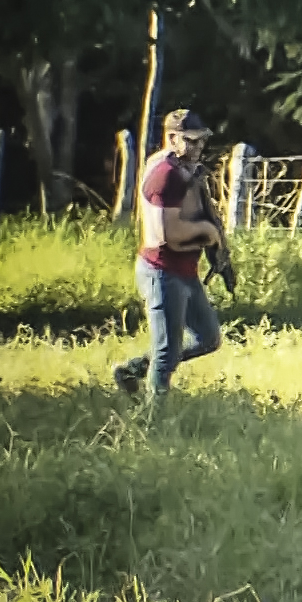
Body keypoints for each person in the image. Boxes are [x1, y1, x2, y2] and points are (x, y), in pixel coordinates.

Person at [113, 109, 224, 399]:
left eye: (202, 141)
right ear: (172, 138)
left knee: (209, 338)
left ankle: (132, 370)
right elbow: (168, 235)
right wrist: (208, 232)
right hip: (162, 272)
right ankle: (155, 425)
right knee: (167, 352)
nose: (198, 147)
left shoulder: (181, 166)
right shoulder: (166, 175)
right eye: (191, 141)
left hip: (185, 272)